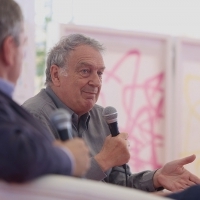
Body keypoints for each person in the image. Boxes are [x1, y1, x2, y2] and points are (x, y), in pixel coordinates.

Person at [22, 34, 200, 192]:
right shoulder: (33, 117)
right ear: (56, 75)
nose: (96, 82)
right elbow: (50, 192)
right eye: (85, 71)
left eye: (100, 73)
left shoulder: (101, 116)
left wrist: (156, 177)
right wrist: (103, 161)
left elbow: (118, 188)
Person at [0, 0, 90, 183]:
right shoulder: (36, 110)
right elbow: (16, 154)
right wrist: (67, 156)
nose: (95, 81)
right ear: (9, 50)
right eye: (24, 45)